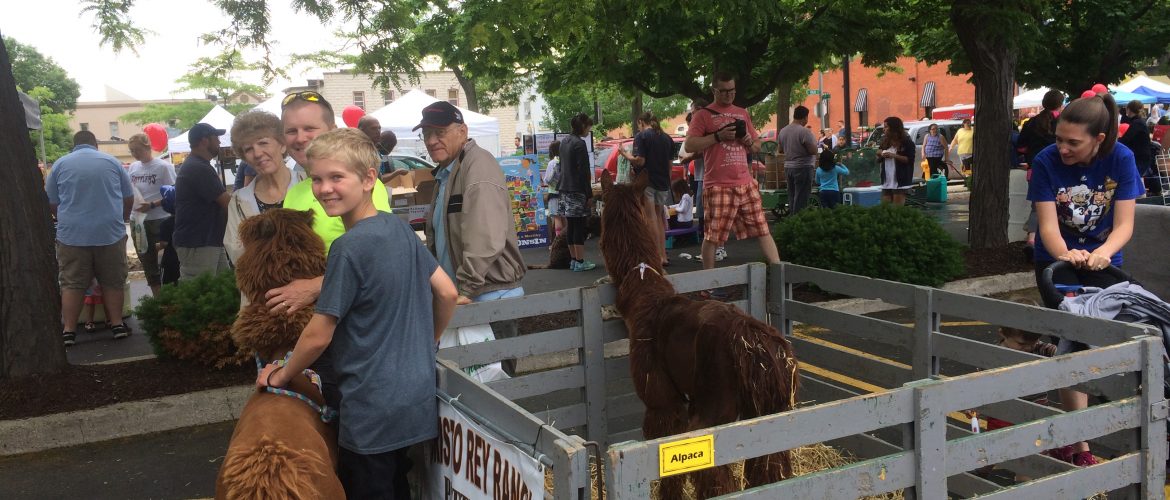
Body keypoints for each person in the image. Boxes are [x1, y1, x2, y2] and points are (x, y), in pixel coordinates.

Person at [257, 128, 459, 499]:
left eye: (337, 177)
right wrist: (427, 341)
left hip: (370, 409)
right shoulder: (399, 228)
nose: (324, 189)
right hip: (415, 397)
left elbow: (319, 333)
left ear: (368, 179)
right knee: (397, 483)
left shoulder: (347, 249)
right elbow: (447, 292)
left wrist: (282, 374)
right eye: (317, 179)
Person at [1027, 91, 1142, 467]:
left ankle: (1107, 427)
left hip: (1103, 262)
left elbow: (1124, 224)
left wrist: (1104, 252)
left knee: (1107, 346)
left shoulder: (1121, 158)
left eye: (1073, 143)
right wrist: (1065, 254)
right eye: (1059, 138)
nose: (1062, 148)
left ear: (1099, 139)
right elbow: (1047, 226)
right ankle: (1081, 447)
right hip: (1057, 263)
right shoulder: (1046, 161)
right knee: (1071, 345)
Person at [264, 91, 393, 315]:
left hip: (357, 316)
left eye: (309, 128)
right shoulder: (295, 193)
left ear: (332, 130)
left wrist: (314, 287)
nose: (300, 138)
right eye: (291, 131)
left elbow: (379, 257)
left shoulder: (360, 186)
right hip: (314, 317)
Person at [419, 100, 527, 299]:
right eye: (426, 134)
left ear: (462, 131)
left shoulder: (478, 165)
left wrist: (467, 287)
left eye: (439, 132)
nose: (431, 141)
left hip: (489, 295)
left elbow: (485, 234)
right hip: (471, 293)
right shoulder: (447, 172)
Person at [45, 130, 136, 345]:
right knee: (112, 280)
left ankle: (69, 330)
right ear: (95, 144)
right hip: (109, 232)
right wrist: (121, 218)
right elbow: (128, 197)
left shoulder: (59, 164)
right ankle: (116, 324)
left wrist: (65, 218)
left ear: (74, 145)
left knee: (72, 283)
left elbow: (51, 202)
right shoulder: (112, 162)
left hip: (73, 234)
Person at [684, 71, 780, 273]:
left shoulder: (742, 113)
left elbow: (757, 145)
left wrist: (749, 141)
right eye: (724, 91)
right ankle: (709, 282)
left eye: (732, 91)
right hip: (718, 185)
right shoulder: (702, 115)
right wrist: (718, 137)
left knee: (763, 229)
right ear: (714, 91)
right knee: (713, 236)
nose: (729, 95)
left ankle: (779, 273)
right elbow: (690, 145)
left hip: (745, 183)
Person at [224, 110, 304, 265]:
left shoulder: (309, 184)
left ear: (282, 145)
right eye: (248, 149)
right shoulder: (239, 201)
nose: (257, 153)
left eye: (263, 143)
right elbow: (238, 255)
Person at [173, 122, 230, 279]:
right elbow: (227, 202)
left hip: (207, 240)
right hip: (198, 242)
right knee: (199, 290)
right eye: (216, 138)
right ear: (204, 140)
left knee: (223, 287)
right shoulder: (198, 168)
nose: (219, 142)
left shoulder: (197, 165)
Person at [620, 111, 675, 266]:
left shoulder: (641, 136)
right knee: (659, 217)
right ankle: (663, 255)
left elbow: (640, 161)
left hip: (647, 182)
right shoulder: (667, 138)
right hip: (663, 182)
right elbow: (670, 166)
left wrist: (625, 154)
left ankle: (655, 256)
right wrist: (667, 182)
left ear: (641, 122)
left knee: (650, 218)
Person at [126, 133, 176, 297]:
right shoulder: (133, 167)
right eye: (132, 151)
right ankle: (157, 299)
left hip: (159, 219)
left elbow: (173, 193)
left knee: (165, 259)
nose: (135, 154)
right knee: (146, 260)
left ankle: (169, 298)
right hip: (138, 220)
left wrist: (153, 204)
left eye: (137, 150)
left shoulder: (163, 167)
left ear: (147, 147)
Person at [558, 112, 600, 271]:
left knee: (571, 225)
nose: (589, 130)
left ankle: (574, 261)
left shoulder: (564, 142)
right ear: (583, 126)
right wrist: (589, 194)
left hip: (564, 188)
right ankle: (580, 262)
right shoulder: (579, 144)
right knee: (579, 226)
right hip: (577, 189)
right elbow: (584, 172)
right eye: (588, 127)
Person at [777, 105, 818, 215]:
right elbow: (813, 150)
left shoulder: (783, 131)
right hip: (803, 167)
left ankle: (792, 219)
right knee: (801, 197)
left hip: (788, 168)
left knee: (792, 196)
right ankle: (798, 220)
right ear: (805, 117)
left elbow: (780, 150)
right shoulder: (804, 132)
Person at [877, 116, 916, 206]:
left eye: (886, 127)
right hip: (887, 179)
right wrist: (881, 153)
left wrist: (893, 156)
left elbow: (909, 160)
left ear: (893, 128)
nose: (884, 129)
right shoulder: (885, 141)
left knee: (897, 208)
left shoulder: (907, 142)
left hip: (900, 179)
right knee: (885, 207)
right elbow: (878, 152)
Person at [1119, 100, 1153, 192]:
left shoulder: (1137, 123)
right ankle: (1140, 195)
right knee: (1136, 178)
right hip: (1142, 156)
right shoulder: (1139, 122)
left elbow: (1126, 139)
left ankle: (1137, 196)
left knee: (1133, 178)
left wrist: (1114, 143)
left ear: (1129, 109)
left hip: (1140, 157)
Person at [541, 140, 566, 236]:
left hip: (554, 194)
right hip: (565, 193)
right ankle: (567, 240)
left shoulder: (552, 163)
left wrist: (543, 179)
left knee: (557, 217)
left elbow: (547, 180)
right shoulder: (565, 161)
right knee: (564, 217)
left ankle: (559, 239)